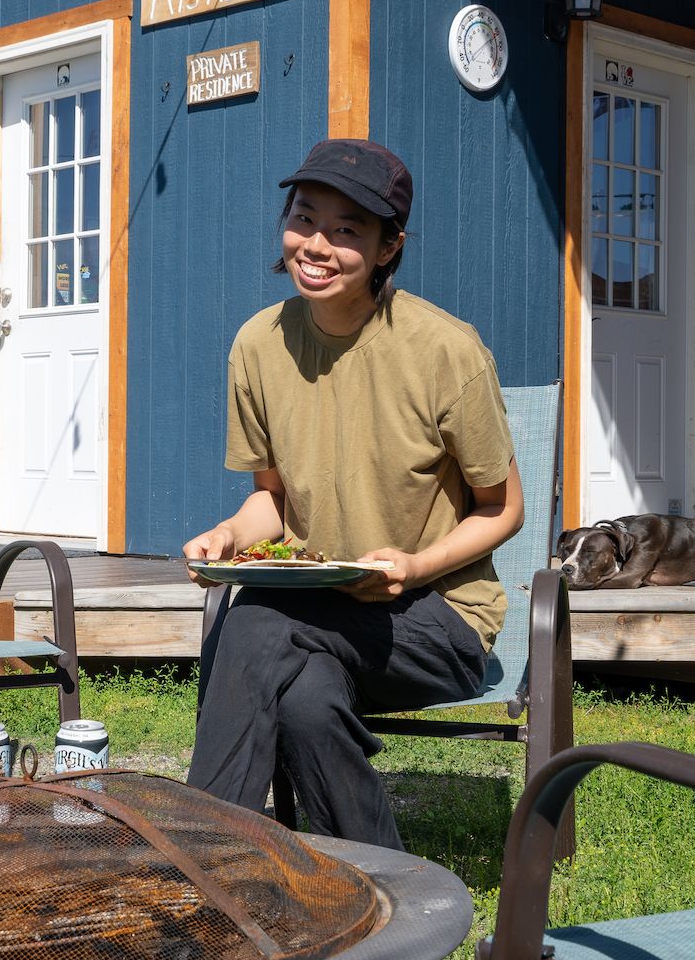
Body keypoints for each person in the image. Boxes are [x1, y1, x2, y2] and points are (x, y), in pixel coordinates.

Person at [183, 138, 524, 850]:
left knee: (252, 623)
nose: (318, 244)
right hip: (322, 611)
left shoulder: (444, 351)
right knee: (307, 702)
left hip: (437, 620)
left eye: (348, 230)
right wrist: (227, 537)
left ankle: (204, 865)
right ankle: (378, 886)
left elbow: (503, 507)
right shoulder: (258, 345)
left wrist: (414, 566)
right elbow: (271, 501)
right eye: (306, 219)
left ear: (388, 246)